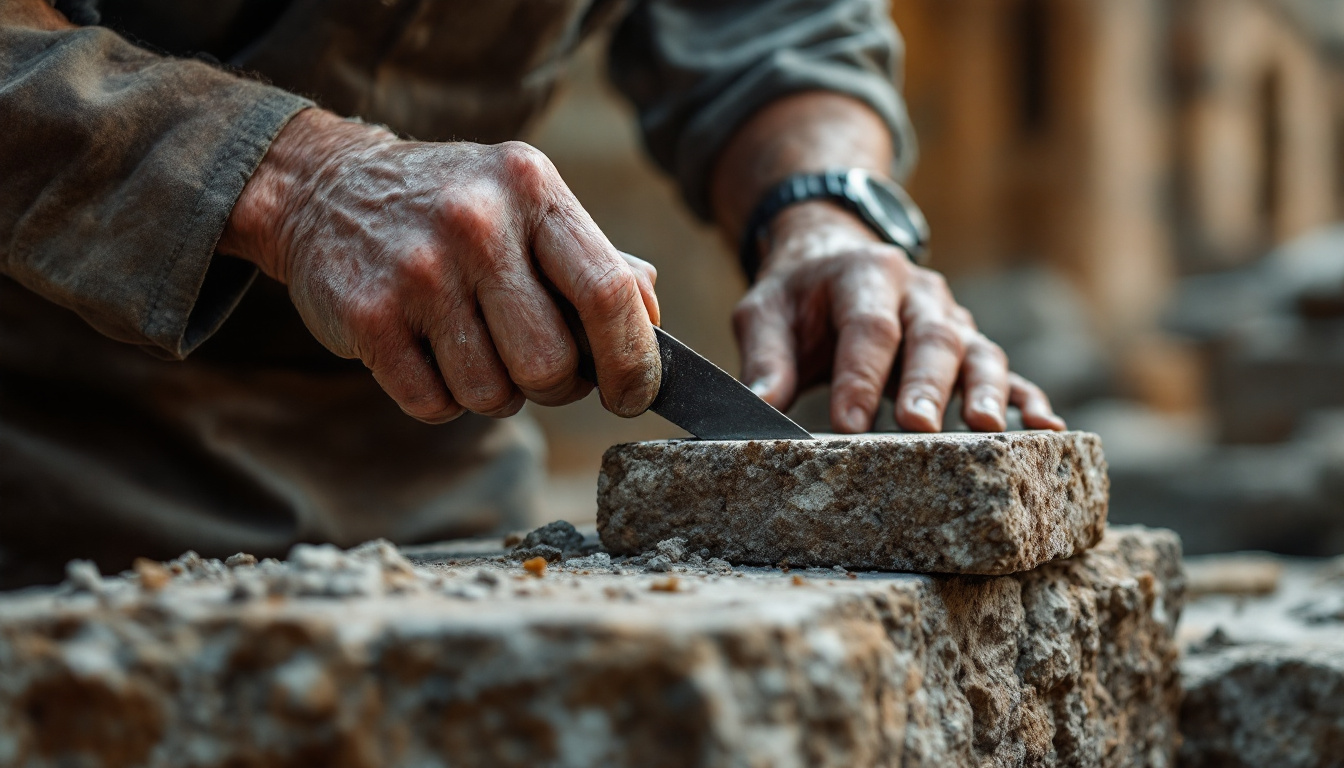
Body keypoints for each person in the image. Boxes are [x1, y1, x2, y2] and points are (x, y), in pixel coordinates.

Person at [0, 0, 1063, 588]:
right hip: (40, 477)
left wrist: (826, 209)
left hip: (430, 506)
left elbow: (780, 25)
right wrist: (290, 178)